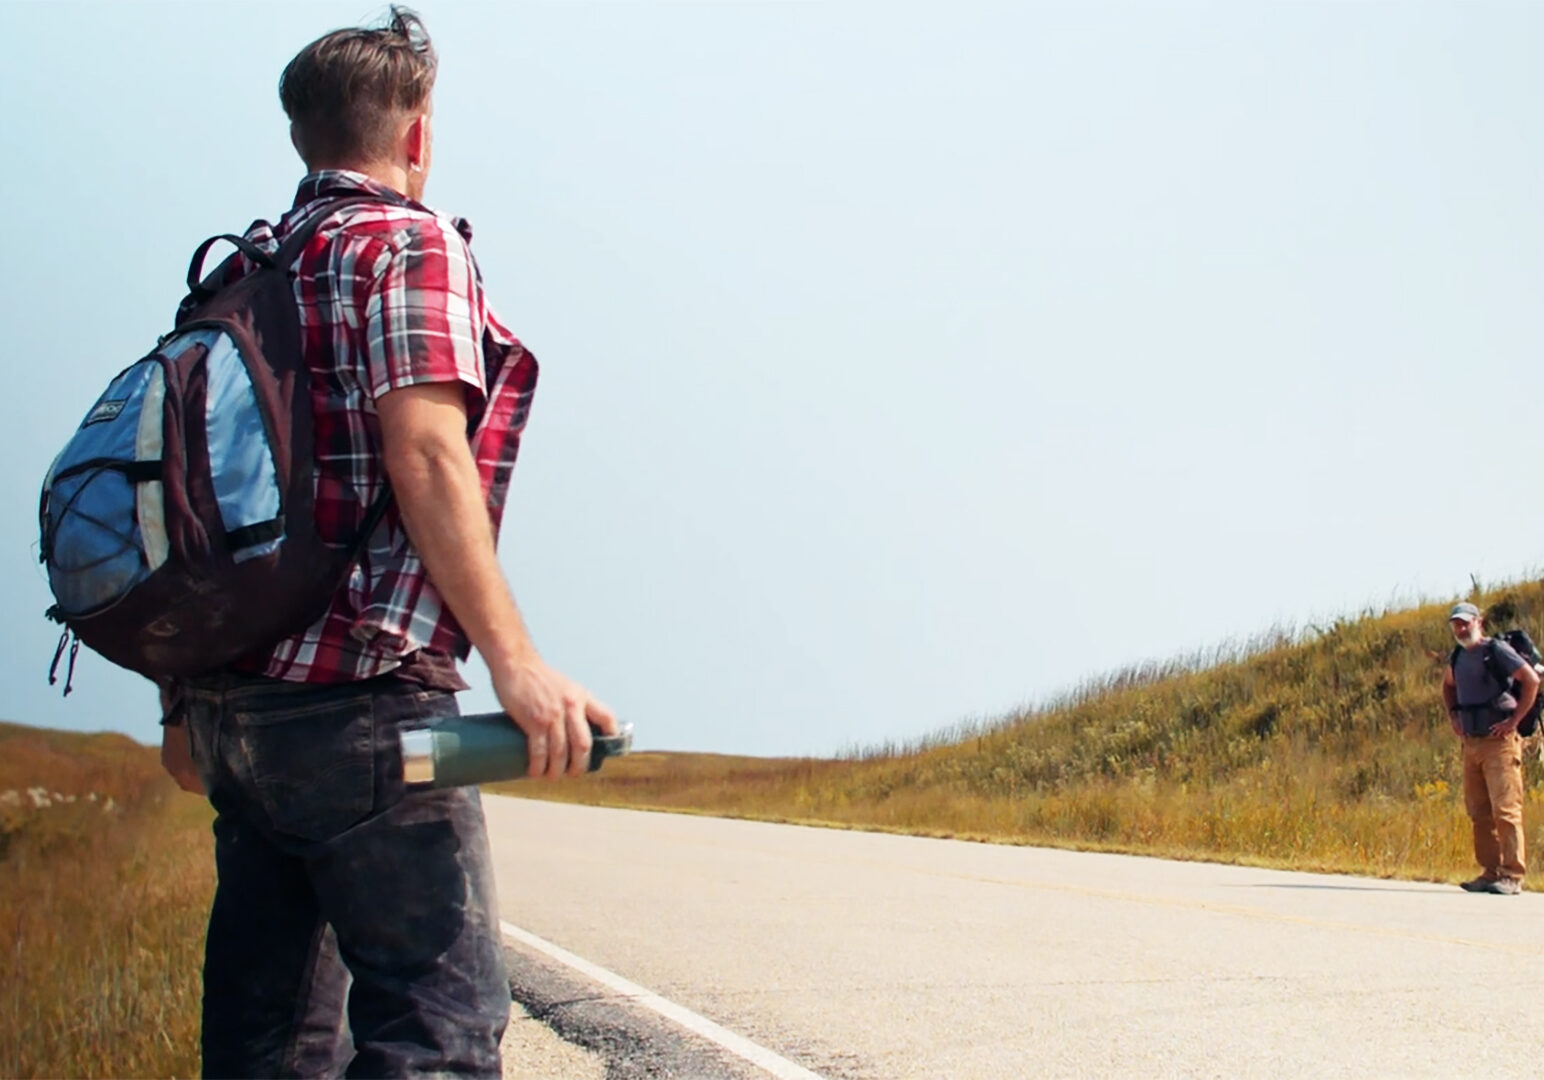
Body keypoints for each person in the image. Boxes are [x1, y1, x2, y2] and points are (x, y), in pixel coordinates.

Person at [155, 8, 619, 1076]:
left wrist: (181, 706)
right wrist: (516, 664)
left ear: (299, 136)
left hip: (234, 718)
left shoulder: (234, 277)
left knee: (265, 1046)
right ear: (417, 134)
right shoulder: (406, 246)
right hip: (364, 710)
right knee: (436, 1039)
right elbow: (427, 454)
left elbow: (195, 506)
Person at [1440, 601, 1536, 896]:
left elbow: (1530, 680)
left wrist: (1514, 721)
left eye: (1465, 622)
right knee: (1479, 811)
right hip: (1472, 742)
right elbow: (1447, 686)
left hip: (1500, 743)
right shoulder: (1458, 656)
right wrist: (1454, 715)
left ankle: (1512, 875)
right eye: (1456, 624)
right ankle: (1490, 872)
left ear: (1478, 622)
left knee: (1506, 809)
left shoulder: (1495, 650)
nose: (1460, 628)